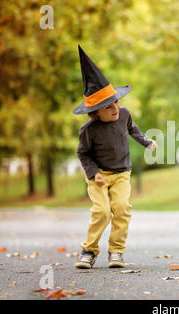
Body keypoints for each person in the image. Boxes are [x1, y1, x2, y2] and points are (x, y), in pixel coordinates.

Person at [73, 45, 157, 269]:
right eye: (108, 107)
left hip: (121, 174)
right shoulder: (89, 130)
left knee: (121, 208)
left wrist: (147, 142)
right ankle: (89, 250)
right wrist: (94, 173)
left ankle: (116, 251)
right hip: (99, 176)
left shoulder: (124, 115)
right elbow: (82, 153)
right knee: (101, 211)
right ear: (95, 113)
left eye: (116, 102)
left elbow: (133, 130)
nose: (115, 108)